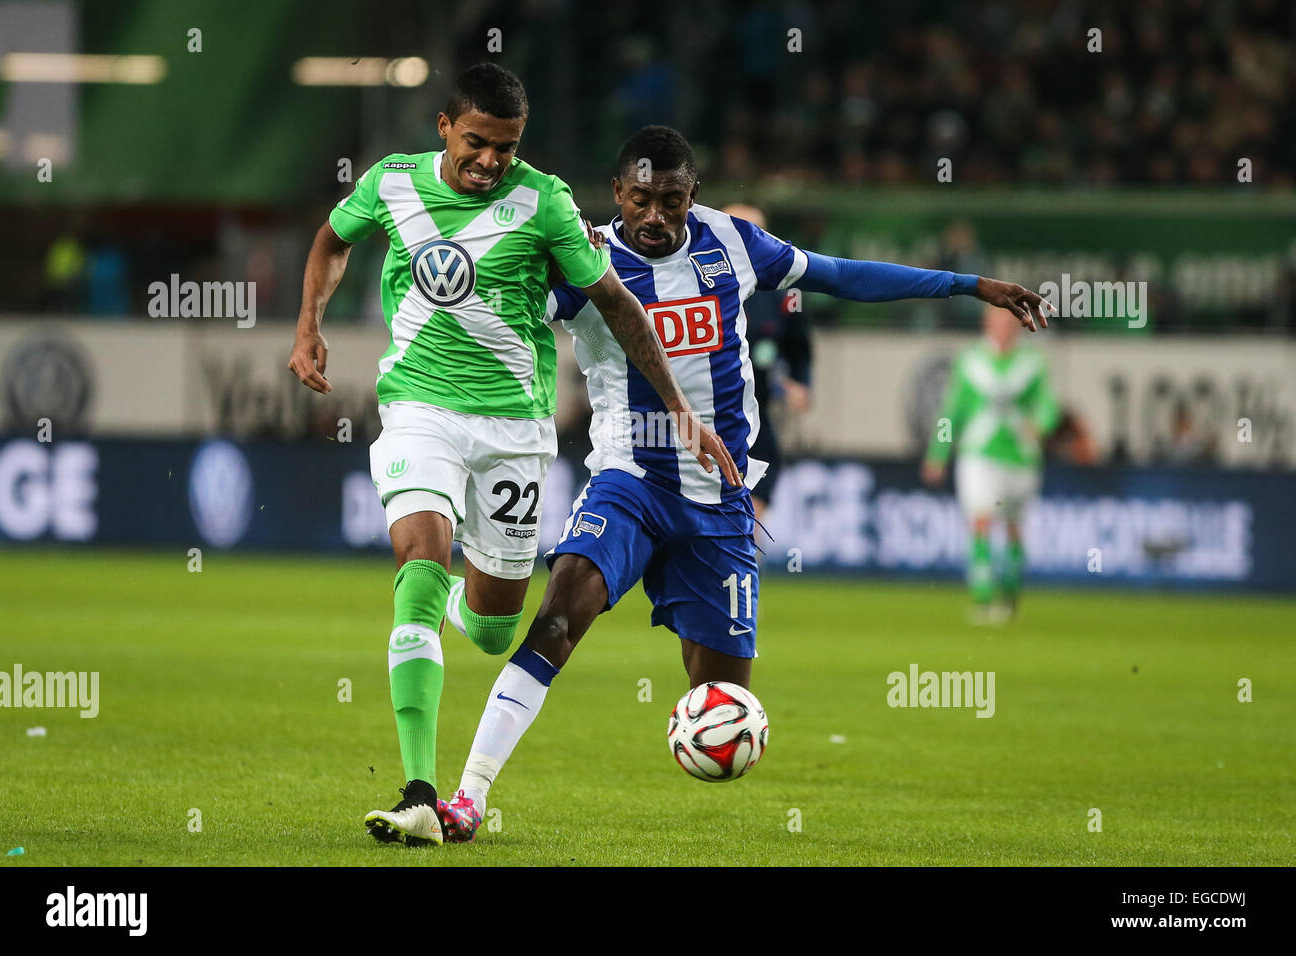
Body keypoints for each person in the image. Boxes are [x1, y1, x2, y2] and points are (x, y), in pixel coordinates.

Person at [437, 125, 1051, 842]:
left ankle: (693, 720)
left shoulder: (732, 243)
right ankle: (469, 797)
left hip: (721, 502)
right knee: (559, 618)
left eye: (672, 199)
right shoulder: (584, 259)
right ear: (617, 196)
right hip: (628, 479)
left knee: (723, 700)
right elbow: (500, 323)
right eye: (641, 200)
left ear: (693, 195)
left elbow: (840, 275)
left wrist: (967, 284)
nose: (656, 215)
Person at [286, 70, 736, 847]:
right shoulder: (391, 184)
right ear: (443, 127)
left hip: (513, 429)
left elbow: (619, 305)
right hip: (418, 409)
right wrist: (308, 324)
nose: (491, 160)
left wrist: (679, 406)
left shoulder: (546, 202)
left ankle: (465, 605)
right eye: (477, 142)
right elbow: (332, 239)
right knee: (419, 569)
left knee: (496, 627)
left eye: (506, 146)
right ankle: (423, 793)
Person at [921, 303, 1061, 622]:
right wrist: (937, 454)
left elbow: (1048, 405)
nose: (1004, 328)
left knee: (1013, 529)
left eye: (1009, 322)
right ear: (987, 323)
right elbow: (951, 412)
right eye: (998, 321)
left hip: (1020, 457)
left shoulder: (1031, 364)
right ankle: (983, 598)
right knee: (981, 522)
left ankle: (1010, 594)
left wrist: (1040, 423)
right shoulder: (971, 362)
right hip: (979, 454)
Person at [720, 203, 813, 530]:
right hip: (698, 415)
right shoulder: (695, 284)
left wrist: (799, 383)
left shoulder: (781, 292)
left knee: (757, 491)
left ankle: (741, 561)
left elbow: (799, 348)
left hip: (754, 416)